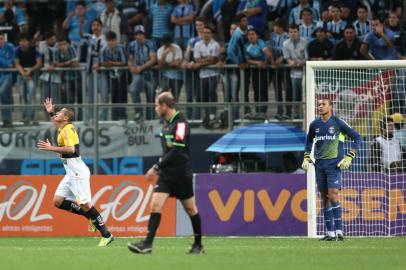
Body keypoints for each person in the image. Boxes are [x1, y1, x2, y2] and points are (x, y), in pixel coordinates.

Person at [127, 92, 204, 254]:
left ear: (164, 106)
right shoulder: (165, 123)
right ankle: (147, 244)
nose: (155, 108)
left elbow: (177, 150)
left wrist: (156, 166)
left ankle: (198, 245)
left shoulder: (181, 123)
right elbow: (167, 151)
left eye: (156, 105)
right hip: (166, 174)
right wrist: (161, 167)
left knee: (190, 209)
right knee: (155, 204)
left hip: (181, 173)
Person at [37, 98, 114, 246]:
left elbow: (71, 149)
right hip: (71, 173)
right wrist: (51, 112)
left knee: (85, 205)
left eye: (59, 112)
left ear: (66, 118)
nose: (57, 114)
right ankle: (90, 218)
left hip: (77, 173)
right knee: (58, 201)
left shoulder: (68, 130)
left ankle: (107, 234)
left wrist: (51, 148)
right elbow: (56, 122)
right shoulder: (63, 128)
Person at [302, 98, 362, 241]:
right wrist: (306, 156)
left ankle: (340, 231)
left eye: (323, 104)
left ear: (330, 107)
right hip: (319, 165)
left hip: (334, 165)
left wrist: (350, 155)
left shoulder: (338, 123)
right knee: (324, 198)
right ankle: (330, 233)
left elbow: (357, 137)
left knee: (333, 194)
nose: (320, 106)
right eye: (319, 104)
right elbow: (309, 140)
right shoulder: (314, 124)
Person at [128, 25, 157, 121]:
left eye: (140, 34)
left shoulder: (150, 43)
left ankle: (151, 120)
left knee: (151, 98)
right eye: (136, 34)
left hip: (150, 72)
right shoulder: (132, 45)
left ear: (144, 35)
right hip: (138, 73)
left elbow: (153, 60)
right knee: (133, 90)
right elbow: (130, 59)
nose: (138, 36)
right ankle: (139, 113)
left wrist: (141, 67)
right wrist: (131, 67)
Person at [14, 32, 42, 125]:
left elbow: (39, 63)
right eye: (21, 41)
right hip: (21, 75)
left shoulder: (34, 50)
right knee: (22, 95)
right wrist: (23, 73)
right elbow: (17, 63)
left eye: (24, 41)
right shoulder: (17, 50)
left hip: (32, 75)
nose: (23, 43)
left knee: (31, 95)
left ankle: (32, 117)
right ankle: (25, 117)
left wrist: (30, 70)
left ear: (28, 42)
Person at [100, 31, 127, 121]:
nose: (110, 43)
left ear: (116, 40)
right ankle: (115, 119)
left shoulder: (121, 48)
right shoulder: (104, 49)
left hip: (122, 75)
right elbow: (103, 63)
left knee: (122, 97)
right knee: (114, 98)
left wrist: (111, 63)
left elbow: (123, 62)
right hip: (111, 77)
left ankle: (123, 118)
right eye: (109, 41)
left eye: (112, 40)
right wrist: (109, 64)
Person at [0, 31, 15, 128]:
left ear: (4, 39)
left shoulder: (10, 47)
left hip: (7, 75)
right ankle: (6, 120)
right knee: (4, 96)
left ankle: (8, 119)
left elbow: (10, 62)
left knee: (2, 92)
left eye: (1, 39)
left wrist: (5, 63)